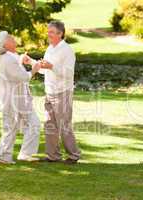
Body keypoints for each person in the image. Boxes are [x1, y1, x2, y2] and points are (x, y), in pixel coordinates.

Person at [24, 21, 81, 165]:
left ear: (60, 34)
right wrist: (31, 61)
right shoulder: (50, 48)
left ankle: (74, 155)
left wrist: (52, 66)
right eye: (48, 31)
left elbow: (68, 73)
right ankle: (53, 156)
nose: (48, 34)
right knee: (50, 125)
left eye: (51, 32)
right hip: (49, 92)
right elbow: (45, 69)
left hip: (62, 92)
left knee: (64, 125)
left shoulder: (67, 50)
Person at [0, 31, 41, 164]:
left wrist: (21, 60)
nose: (12, 38)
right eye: (9, 38)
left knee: (33, 124)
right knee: (11, 128)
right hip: (12, 101)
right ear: (5, 44)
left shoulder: (10, 57)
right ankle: (3, 155)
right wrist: (34, 69)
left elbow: (16, 69)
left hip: (20, 100)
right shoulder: (7, 59)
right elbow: (22, 76)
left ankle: (24, 154)